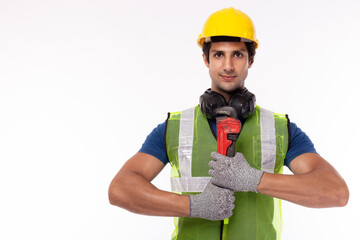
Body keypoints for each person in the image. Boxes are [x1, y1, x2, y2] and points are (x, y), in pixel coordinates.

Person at [108, 7, 349, 240]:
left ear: (250, 60)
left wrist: (254, 180)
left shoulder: (280, 129)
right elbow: (120, 190)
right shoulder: (175, 127)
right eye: (218, 54)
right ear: (206, 59)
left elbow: (335, 193)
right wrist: (193, 205)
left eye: (237, 54)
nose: (227, 66)